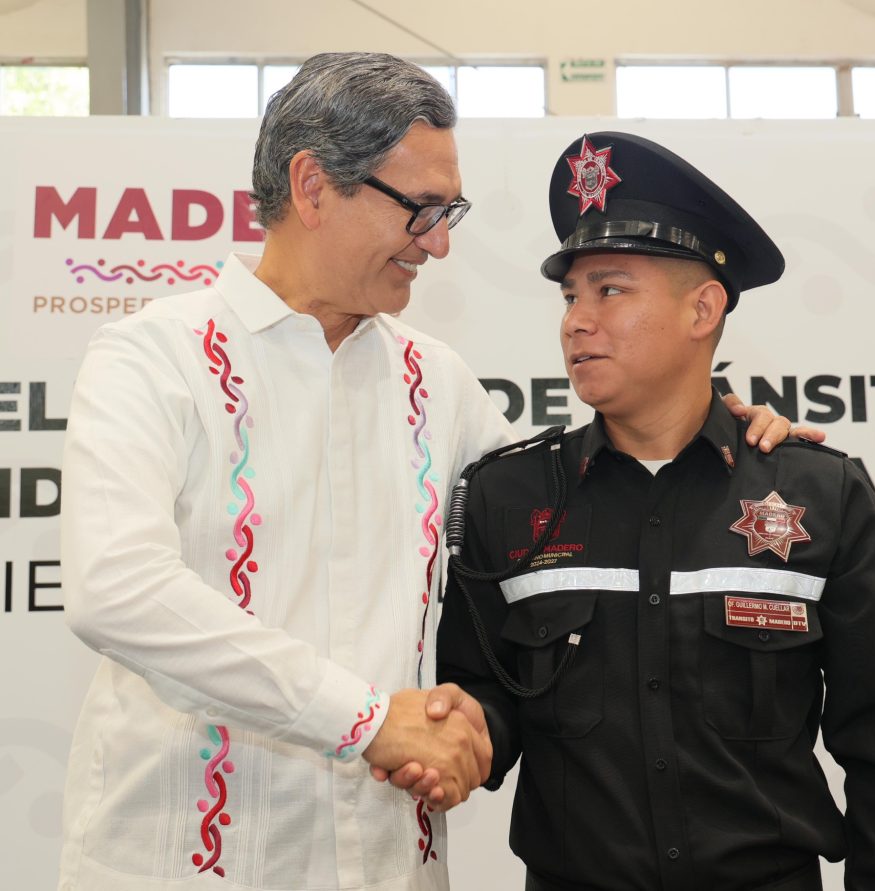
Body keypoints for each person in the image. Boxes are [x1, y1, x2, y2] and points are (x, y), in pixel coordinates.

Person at [57, 56, 800, 891]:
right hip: (181, 866)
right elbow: (116, 587)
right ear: (312, 187)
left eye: (450, 213)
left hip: (389, 867)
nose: (440, 243)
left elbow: (581, 501)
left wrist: (710, 431)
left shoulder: (435, 382)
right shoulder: (154, 359)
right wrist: (367, 720)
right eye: (421, 209)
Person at [433, 132, 875, 890]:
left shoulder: (822, 492)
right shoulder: (511, 496)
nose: (576, 320)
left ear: (703, 308)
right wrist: (457, 740)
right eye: (570, 297)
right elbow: (485, 695)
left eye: (610, 290)